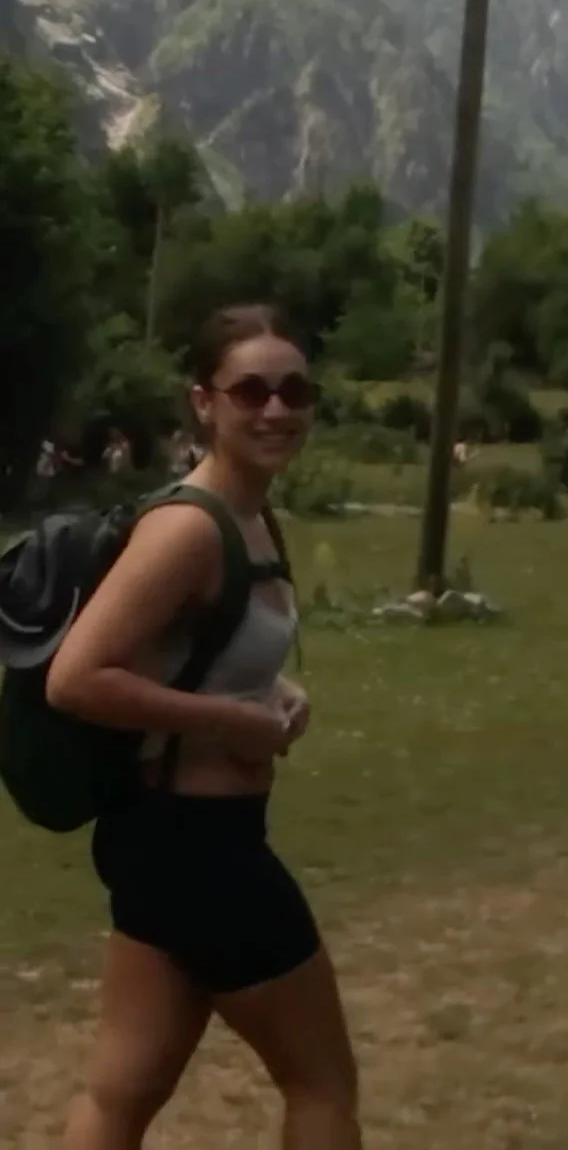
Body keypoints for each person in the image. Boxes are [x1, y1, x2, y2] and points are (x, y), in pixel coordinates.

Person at [47, 304, 362, 1150]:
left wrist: (275, 693)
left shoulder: (250, 516)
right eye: (250, 390)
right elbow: (77, 678)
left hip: (170, 843)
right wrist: (231, 721)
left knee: (121, 1093)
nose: (276, 409)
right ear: (204, 402)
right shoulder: (188, 528)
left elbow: (200, 651)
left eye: (295, 391)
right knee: (323, 1085)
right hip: (200, 849)